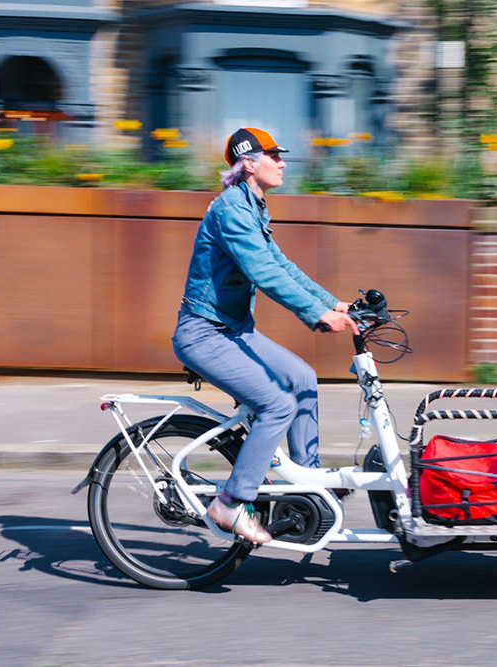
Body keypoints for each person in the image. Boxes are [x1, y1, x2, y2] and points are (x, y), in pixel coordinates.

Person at [171, 127, 357, 544]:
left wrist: (334, 303)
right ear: (249, 162)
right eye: (274, 155)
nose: (283, 162)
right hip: (204, 334)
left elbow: (283, 265)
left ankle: (305, 485)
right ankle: (230, 503)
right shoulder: (229, 210)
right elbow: (263, 272)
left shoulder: (252, 208)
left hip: (235, 331)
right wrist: (317, 314)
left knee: (303, 378)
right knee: (277, 403)